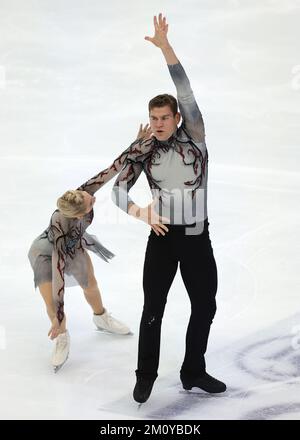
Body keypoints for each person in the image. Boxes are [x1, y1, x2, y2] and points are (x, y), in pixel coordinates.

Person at [112, 14, 226, 402]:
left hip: (196, 234)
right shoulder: (145, 150)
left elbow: (187, 91)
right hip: (161, 236)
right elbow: (118, 190)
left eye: (165, 117)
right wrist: (140, 213)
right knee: (153, 308)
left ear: (177, 118)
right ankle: (146, 374)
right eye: (153, 118)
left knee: (205, 305)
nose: (158, 123)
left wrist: (166, 49)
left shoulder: (195, 136)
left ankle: (193, 370)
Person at [28, 124, 152, 372]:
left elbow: (111, 169)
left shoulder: (80, 194)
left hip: (75, 243)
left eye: (87, 195)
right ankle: (61, 335)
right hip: (45, 252)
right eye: (89, 201)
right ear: (80, 214)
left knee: (90, 285)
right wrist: (60, 316)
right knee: (51, 301)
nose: (91, 196)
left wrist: (135, 144)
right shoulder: (61, 229)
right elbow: (58, 278)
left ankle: (101, 317)